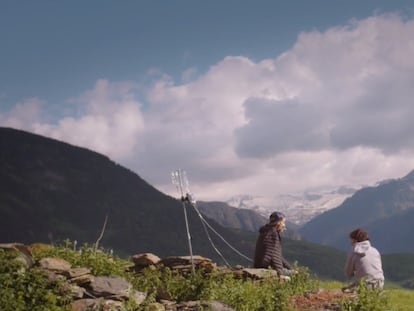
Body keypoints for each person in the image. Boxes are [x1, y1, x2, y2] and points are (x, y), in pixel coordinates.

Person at [253, 211, 294, 276]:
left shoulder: (265, 232)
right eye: (283, 222)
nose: (284, 225)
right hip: (270, 269)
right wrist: (280, 271)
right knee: (299, 275)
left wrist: (290, 268)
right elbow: (271, 256)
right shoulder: (273, 234)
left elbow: (276, 255)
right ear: (279, 222)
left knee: (293, 272)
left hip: (260, 266)